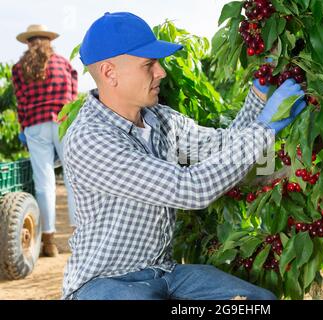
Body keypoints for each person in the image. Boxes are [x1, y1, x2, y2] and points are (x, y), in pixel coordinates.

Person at [62, 12, 306, 300]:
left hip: (163, 273)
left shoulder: (160, 120)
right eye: (149, 64)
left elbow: (223, 146)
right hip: (104, 283)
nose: (161, 72)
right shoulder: (90, 140)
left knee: (259, 302)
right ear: (109, 72)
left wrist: (259, 94)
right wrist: (264, 128)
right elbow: (191, 189)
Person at [12, 24, 78, 257]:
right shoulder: (64, 64)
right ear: (48, 41)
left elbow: (21, 102)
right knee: (73, 181)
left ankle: (48, 241)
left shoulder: (20, 69)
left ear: (29, 43)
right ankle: (79, 236)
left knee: (44, 183)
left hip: (36, 125)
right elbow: (72, 96)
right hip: (63, 123)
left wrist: (23, 127)